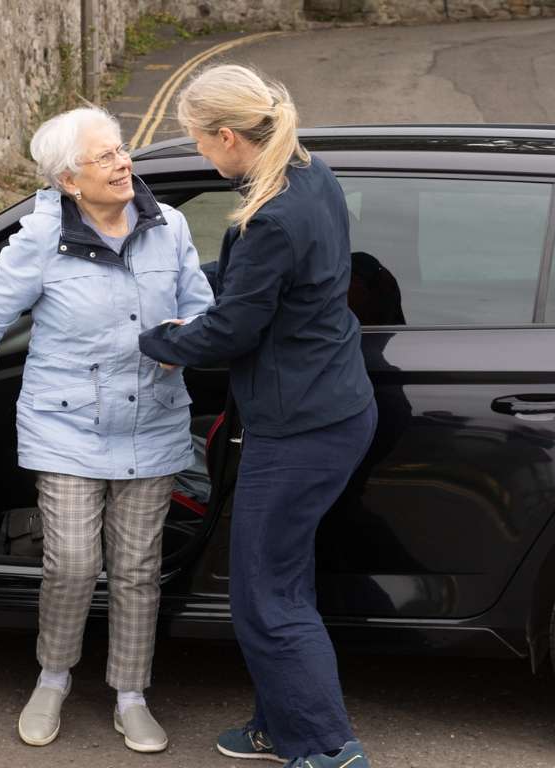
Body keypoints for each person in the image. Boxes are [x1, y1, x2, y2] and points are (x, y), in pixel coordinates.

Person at [0, 105, 213, 753]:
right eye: (104, 156)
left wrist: (186, 336)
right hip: (65, 428)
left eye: (122, 149)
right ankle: (52, 677)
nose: (124, 162)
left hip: (153, 426)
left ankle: (130, 694)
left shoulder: (172, 227)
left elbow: (201, 308)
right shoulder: (38, 239)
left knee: (137, 568)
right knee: (73, 565)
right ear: (68, 182)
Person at [138, 64, 377, 768]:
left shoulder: (273, 213)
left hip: (300, 427)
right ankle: (282, 725)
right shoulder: (309, 173)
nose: (200, 156)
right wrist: (190, 286)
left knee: (265, 598)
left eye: (198, 143)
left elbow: (234, 331)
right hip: (332, 405)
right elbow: (258, 287)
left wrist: (155, 339)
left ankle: (329, 751)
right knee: (285, 580)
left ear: (225, 136)